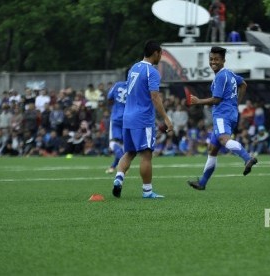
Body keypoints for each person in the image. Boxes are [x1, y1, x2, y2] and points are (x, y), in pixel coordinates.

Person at [187, 46, 258, 190]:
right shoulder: (229, 74)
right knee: (212, 149)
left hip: (222, 115)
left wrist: (198, 101)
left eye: (216, 59)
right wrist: (236, 103)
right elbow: (243, 84)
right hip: (230, 113)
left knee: (223, 140)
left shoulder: (220, 76)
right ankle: (202, 183)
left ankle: (247, 158)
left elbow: (216, 99)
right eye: (211, 59)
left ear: (223, 60)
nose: (213, 62)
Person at [112, 40, 173, 199]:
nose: (161, 56)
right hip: (142, 119)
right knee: (146, 154)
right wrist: (166, 118)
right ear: (156, 53)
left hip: (127, 117)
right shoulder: (152, 72)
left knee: (129, 152)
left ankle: (119, 178)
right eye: (160, 53)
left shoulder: (134, 68)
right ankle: (147, 191)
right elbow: (155, 96)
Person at [105, 80, 127, 174]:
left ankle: (124, 165)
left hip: (116, 117)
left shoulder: (118, 85)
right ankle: (113, 167)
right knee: (122, 145)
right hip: (128, 119)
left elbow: (109, 97)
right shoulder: (135, 88)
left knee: (112, 143)